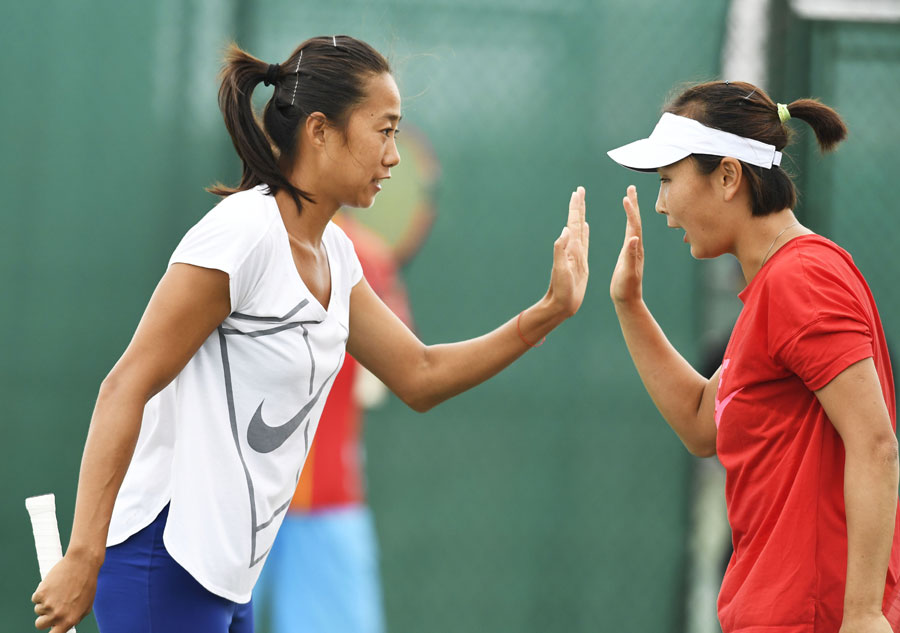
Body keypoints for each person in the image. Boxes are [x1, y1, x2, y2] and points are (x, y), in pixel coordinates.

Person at [30, 35, 589, 633]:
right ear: (320, 131)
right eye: (385, 130)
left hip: (228, 576)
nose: (395, 156)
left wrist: (548, 312)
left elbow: (419, 375)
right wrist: (83, 555)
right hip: (163, 561)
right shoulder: (241, 235)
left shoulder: (337, 254)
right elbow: (125, 385)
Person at [607, 80, 900, 633]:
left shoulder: (801, 278)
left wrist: (861, 614)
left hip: (814, 616)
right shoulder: (775, 284)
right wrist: (628, 304)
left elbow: (876, 443)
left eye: (668, 180)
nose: (662, 203)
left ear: (727, 176)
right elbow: (702, 425)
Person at [252, 214, 415, 633]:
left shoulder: (234, 233)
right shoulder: (367, 255)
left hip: (311, 505)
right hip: (253, 506)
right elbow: (378, 386)